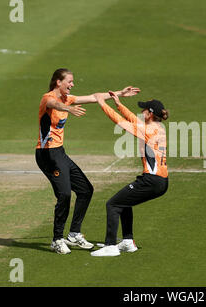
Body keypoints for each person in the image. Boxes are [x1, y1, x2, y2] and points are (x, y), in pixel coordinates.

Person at [35, 68, 140, 254]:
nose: (72, 84)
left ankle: (74, 233)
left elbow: (95, 96)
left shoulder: (68, 98)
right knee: (65, 195)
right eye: (69, 81)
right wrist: (68, 108)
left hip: (59, 152)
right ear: (58, 82)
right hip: (47, 154)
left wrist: (120, 93)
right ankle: (57, 239)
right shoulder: (48, 98)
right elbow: (53, 104)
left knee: (85, 190)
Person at [90, 91, 169, 257]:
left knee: (113, 204)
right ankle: (127, 241)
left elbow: (121, 122)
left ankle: (110, 245)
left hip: (152, 181)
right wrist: (119, 104)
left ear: (150, 113)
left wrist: (103, 104)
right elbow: (133, 120)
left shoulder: (148, 131)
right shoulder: (158, 127)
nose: (142, 112)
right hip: (160, 181)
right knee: (124, 202)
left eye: (144, 110)